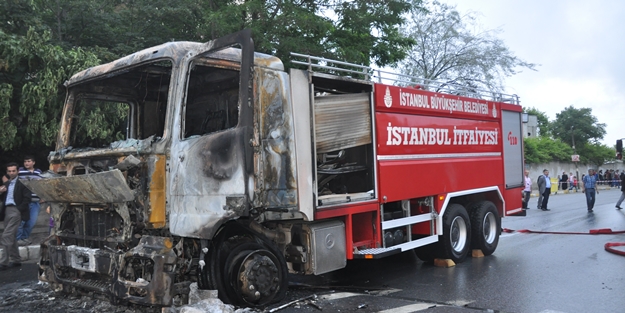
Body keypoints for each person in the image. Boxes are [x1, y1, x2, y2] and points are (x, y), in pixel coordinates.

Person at [0, 162, 32, 270]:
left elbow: (27, 198)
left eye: (13, 171)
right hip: (7, 211)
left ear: (18, 171)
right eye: (9, 171)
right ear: (7, 172)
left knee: (6, 235)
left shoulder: (23, 183)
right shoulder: (7, 184)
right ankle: (16, 259)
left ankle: (3, 262)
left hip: (16, 210)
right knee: (12, 236)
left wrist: (19, 209)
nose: (11, 173)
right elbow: (3, 199)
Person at [15, 155, 43, 246]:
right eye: (25, 161)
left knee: (31, 222)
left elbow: (42, 185)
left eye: (29, 161)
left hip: (35, 201)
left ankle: (24, 237)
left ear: (33, 162)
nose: (26, 163)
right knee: (21, 221)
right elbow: (7, 178)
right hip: (24, 201)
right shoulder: (20, 171)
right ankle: (18, 239)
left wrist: (43, 197)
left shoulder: (38, 172)